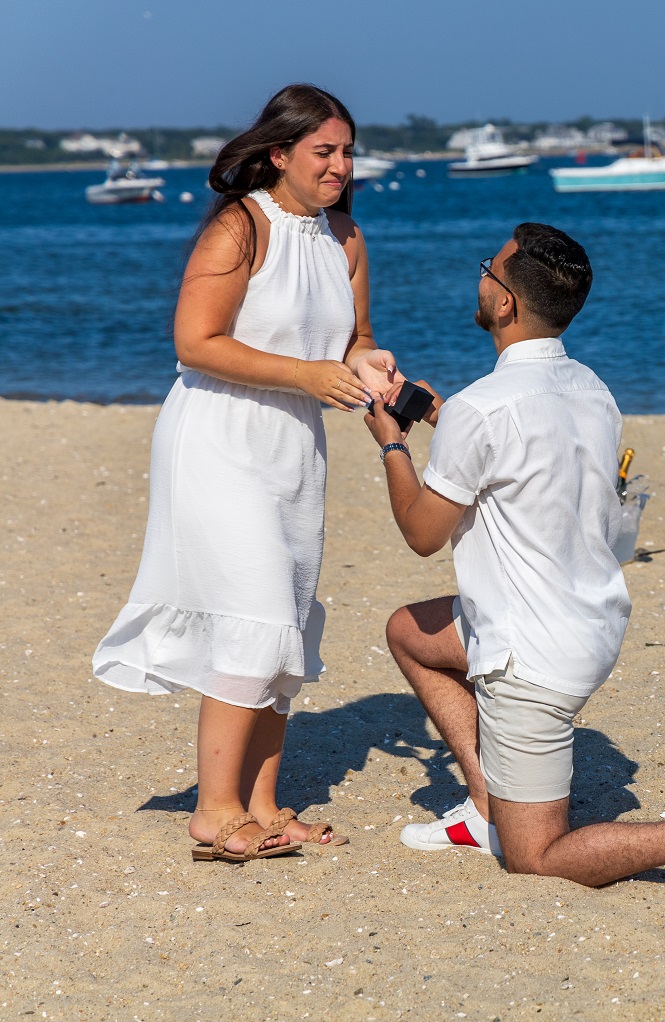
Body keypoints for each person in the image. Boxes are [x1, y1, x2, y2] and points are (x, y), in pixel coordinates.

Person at [366, 224, 665, 890]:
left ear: (505, 303)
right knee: (408, 631)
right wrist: (444, 417)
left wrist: (392, 444)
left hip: (530, 658)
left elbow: (421, 534)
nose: (481, 277)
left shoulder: (482, 409)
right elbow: (531, 456)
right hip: (590, 623)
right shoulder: (591, 389)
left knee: (535, 856)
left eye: (488, 268)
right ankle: (486, 805)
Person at [94, 84, 400, 862]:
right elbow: (195, 341)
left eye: (347, 152)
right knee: (255, 612)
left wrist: (369, 364)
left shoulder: (345, 237)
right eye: (323, 152)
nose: (340, 166)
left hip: (294, 447)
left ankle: (263, 805)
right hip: (218, 438)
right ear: (279, 153)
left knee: (284, 618)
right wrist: (306, 374)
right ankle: (214, 811)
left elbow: (355, 338)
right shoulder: (240, 226)